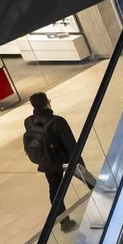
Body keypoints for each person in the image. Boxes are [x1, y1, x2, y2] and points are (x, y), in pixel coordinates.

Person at [23, 92, 91, 232]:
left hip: (46, 161)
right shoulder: (58, 121)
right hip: (64, 160)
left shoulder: (28, 121)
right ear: (47, 103)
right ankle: (106, 197)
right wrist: (80, 164)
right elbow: (71, 145)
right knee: (87, 180)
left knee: (55, 191)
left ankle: (64, 223)